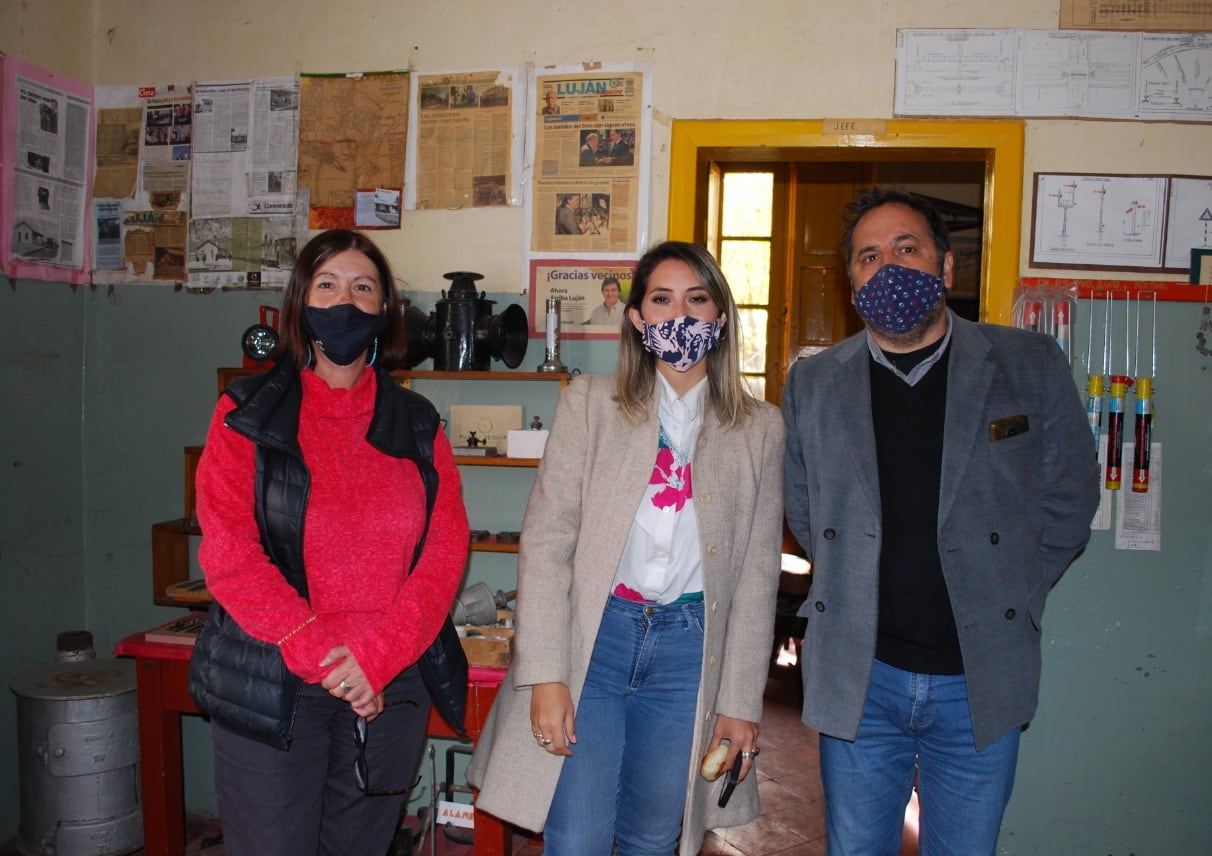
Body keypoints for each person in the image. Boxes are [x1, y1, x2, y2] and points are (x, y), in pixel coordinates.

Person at [782, 187, 1098, 855]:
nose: (888, 266)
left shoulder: (1027, 364)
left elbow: (1069, 496)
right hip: (861, 678)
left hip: (979, 677)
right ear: (852, 280)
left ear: (946, 267)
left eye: (907, 248)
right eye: (870, 256)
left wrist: (1010, 588)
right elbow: (806, 508)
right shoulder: (814, 384)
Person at [468, 241, 786, 855]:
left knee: (650, 837)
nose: (680, 318)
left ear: (720, 316)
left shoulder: (760, 428)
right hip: (597, 642)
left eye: (697, 301)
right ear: (638, 320)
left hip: (688, 654)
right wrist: (545, 675)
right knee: (577, 836)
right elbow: (547, 542)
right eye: (661, 301)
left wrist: (740, 701)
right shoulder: (591, 404)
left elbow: (755, 578)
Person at [190, 229, 470, 856]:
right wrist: (323, 655)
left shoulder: (418, 423)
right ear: (301, 303)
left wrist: (376, 658)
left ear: (384, 311)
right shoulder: (246, 414)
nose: (345, 301)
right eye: (327, 285)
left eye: (363, 287)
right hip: (274, 678)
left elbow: (445, 550)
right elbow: (230, 553)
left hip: (389, 685)